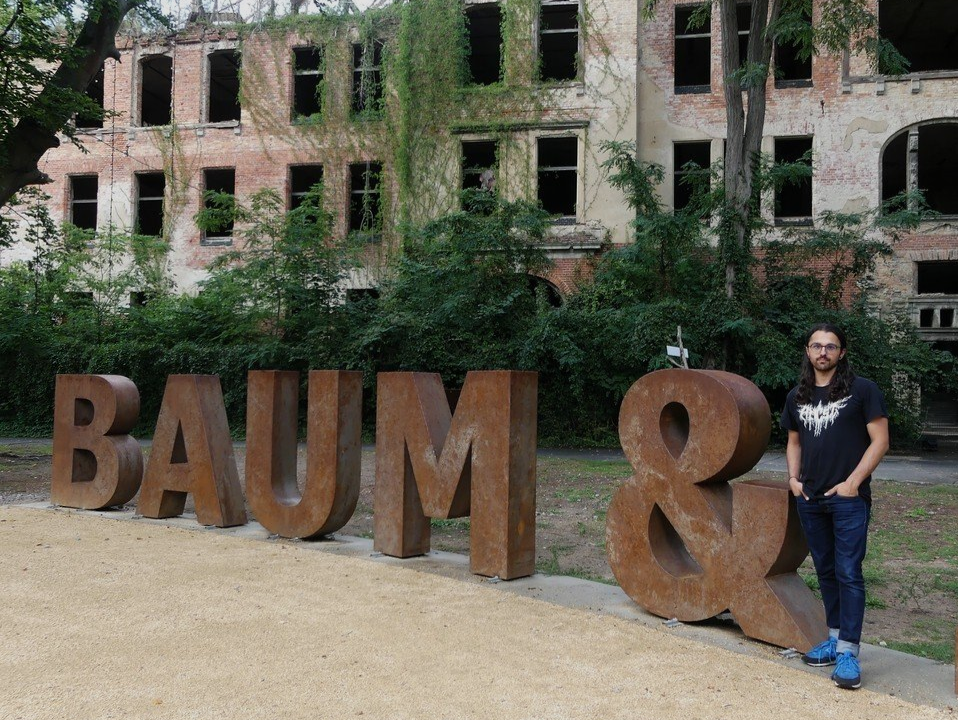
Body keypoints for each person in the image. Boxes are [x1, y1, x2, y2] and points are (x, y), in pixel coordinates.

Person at [781, 323, 889, 690]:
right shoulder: (797, 395)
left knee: (848, 571)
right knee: (826, 570)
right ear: (808, 352)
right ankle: (833, 637)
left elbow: (880, 440)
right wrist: (794, 481)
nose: (822, 352)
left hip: (847, 500)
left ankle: (848, 653)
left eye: (830, 346)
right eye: (816, 346)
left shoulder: (862, 391)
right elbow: (794, 441)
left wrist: (853, 483)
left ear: (841, 353)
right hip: (810, 499)